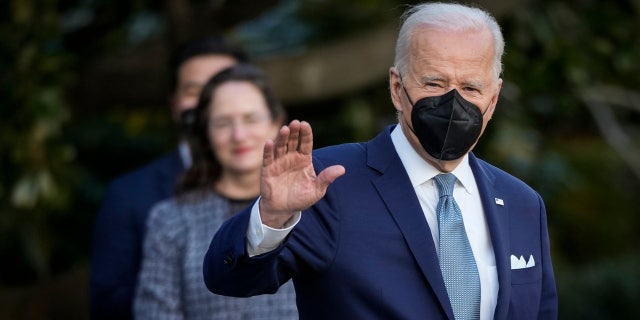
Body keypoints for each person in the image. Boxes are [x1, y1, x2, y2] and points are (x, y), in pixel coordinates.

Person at [203, 2, 558, 320]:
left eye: (470, 88)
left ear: (493, 99)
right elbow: (230, 279)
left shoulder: (522, 203)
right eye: (433, 83)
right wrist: (272, 217)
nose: (453, 104)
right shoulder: (326, 183)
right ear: (396, 88)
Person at [90, 36, 248, 319]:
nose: (210, 102)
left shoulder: (283, 188)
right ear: (174, 105)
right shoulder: (129, 194)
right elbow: (107, 304)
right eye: (194, 90)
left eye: (223, 86)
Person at [134, 64, 297, 319]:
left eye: (251, 118)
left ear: (277, 122)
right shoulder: (170, 220)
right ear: (206, 133)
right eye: (222, 123)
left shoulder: (313, 210)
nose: (239, 135)